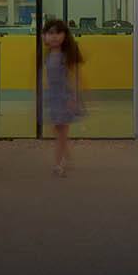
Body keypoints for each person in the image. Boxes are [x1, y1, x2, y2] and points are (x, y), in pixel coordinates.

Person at [39, 17, 84, 177]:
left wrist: (75, 98)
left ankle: (58, 164)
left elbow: (76, 77)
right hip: (53, 98)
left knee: (62, 132)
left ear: (65, 35)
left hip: (65, 98)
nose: (55, 36)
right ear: (44, 36)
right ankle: (67, 157)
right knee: (57, 130)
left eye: (59, 33)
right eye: (50, 33)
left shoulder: (66, 56)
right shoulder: (47, 55)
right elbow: (46, 77)